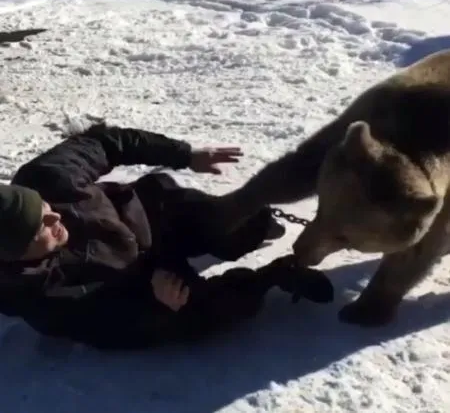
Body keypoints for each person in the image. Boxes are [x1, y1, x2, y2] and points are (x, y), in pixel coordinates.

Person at [0, 122, 333, 351]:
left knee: (234, 227)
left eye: (44, 207)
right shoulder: (44, 301)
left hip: (149, 216)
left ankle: (253, 229)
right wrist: (157, 306)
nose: (54, 217)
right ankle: (272, 276)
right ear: (16, 254)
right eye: (40, 226)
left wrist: (185, 155)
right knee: (204, 313)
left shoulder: (47, 177)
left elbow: (104, 141)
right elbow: (118, 331)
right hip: (134, 286)